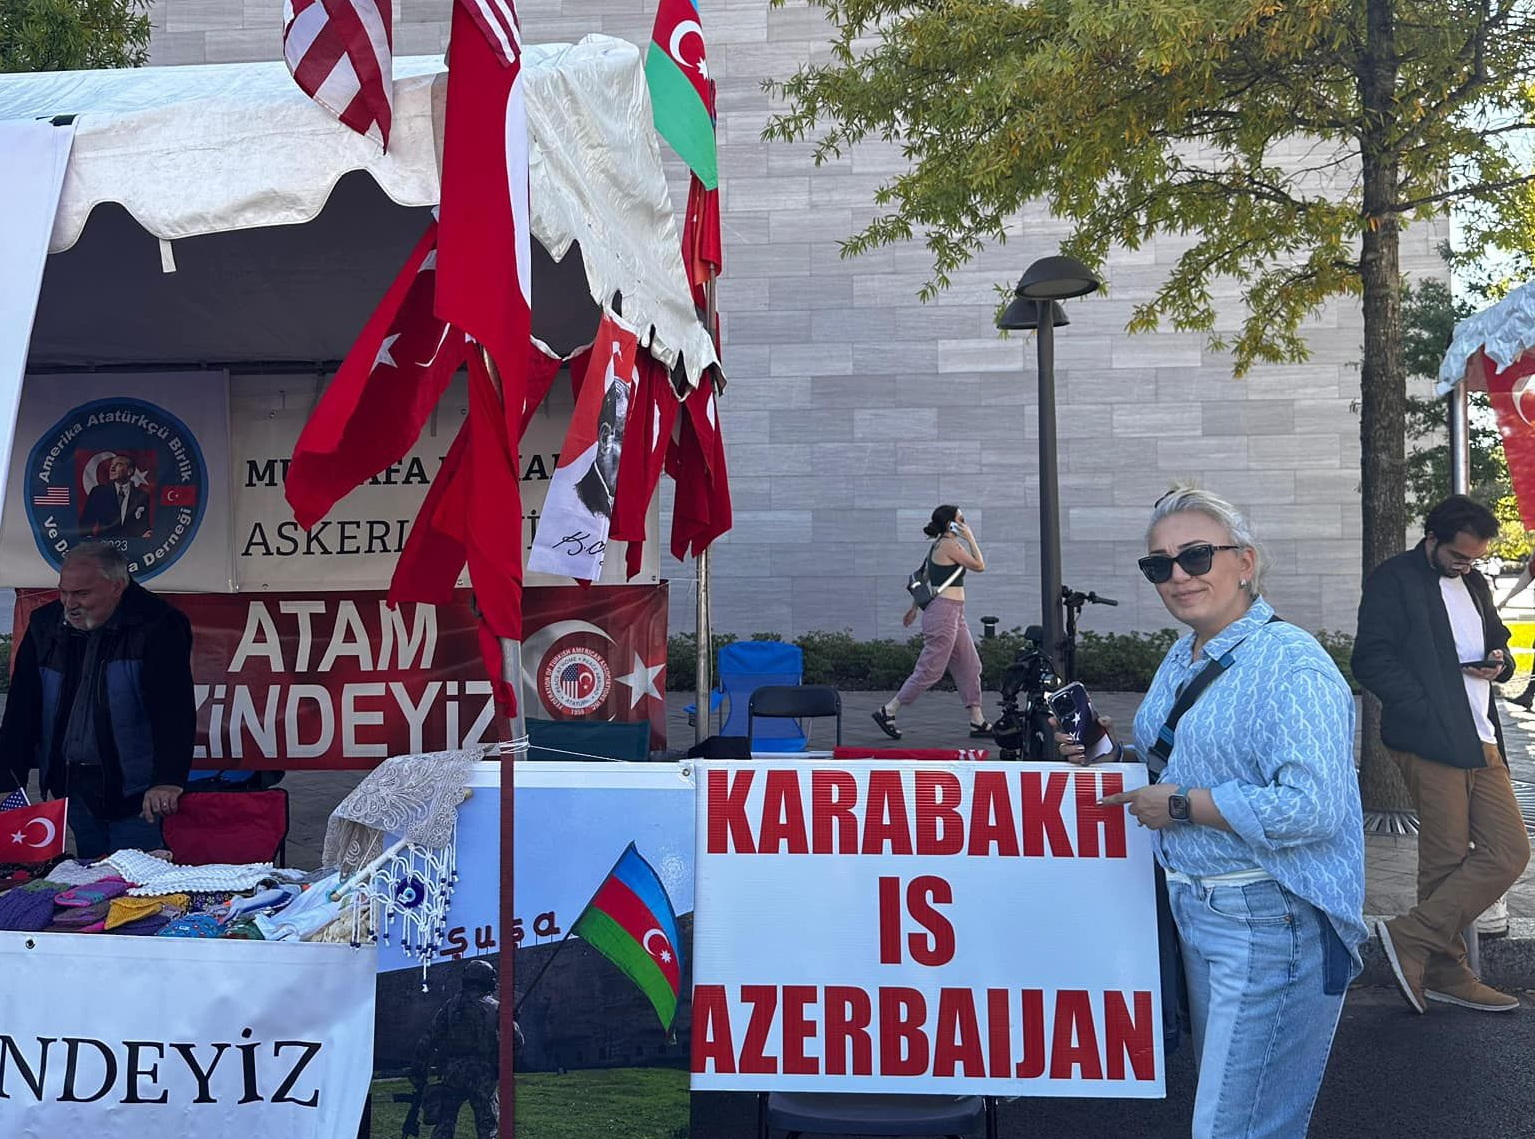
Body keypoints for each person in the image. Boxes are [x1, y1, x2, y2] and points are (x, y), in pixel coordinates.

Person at [1059, 485, 1364, 1139]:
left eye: (1195, 556)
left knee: (1237, 1125)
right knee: (1238, 1109)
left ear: (1244, 562)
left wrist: (1180, 805)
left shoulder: (1291, 664)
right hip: (1197, 908)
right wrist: (1104, 751)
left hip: (1270, 915)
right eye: (1158, 564)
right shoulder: (1185, 654)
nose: (1176, 575)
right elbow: (1180, 766)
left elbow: (1314, 807)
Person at [1352, 493, 1531, 1013]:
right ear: (1432, 538)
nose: (1466, 565)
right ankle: (1448, 973)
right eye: (1458, 555)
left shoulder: (1474, 583)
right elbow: (1371, 657)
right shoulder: (1396, 578)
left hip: (1482, 735)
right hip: (1430, 737)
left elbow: (1499, 641)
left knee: (1510, 852)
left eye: (1474, 558)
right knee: (1445, 858)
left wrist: (1501, 661)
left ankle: (1411, 935)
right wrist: (1424, 705)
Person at [0, 542, 195, 858]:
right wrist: (7, 778)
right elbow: (23, 707)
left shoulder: (159, 623)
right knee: (91, 883)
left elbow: (174, 710)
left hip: (135, 792)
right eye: (64, 592)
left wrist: (167, 780)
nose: (69, 604)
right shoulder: (44, 624)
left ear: (117, 586)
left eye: (82, 594)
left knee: (136, 887)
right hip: (73, 786)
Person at [873, 505, 992, 740]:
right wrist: (971, 538)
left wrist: (914, 608)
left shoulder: (939, 545)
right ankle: (889, 710)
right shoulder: (947, 544)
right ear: (950, 523)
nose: (964, 523)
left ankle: (977, 720)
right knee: (931, 669)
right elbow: (979, 566)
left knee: (970, 664)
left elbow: (926, 578)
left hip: (954, 612)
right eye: (961, 519)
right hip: (944, 613)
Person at [412, 957, 500, 1139]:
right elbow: (517, 1042)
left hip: (453, 1072)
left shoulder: (451, 1006)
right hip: (482, 1074)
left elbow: (428, 1039)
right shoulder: (496, 1008)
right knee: (488, 1128)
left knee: (445, 1122)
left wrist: (418, 1070)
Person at [78, 454, 151, 541]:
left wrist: (145, 536)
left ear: (129, 471)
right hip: (103, 548)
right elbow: (86, 522)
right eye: (111, 465)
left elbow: (143, 524)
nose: (112, 468)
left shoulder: (142, 496)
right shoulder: (99, 492)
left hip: (132, 546)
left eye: (118, 464)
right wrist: (88, 541)